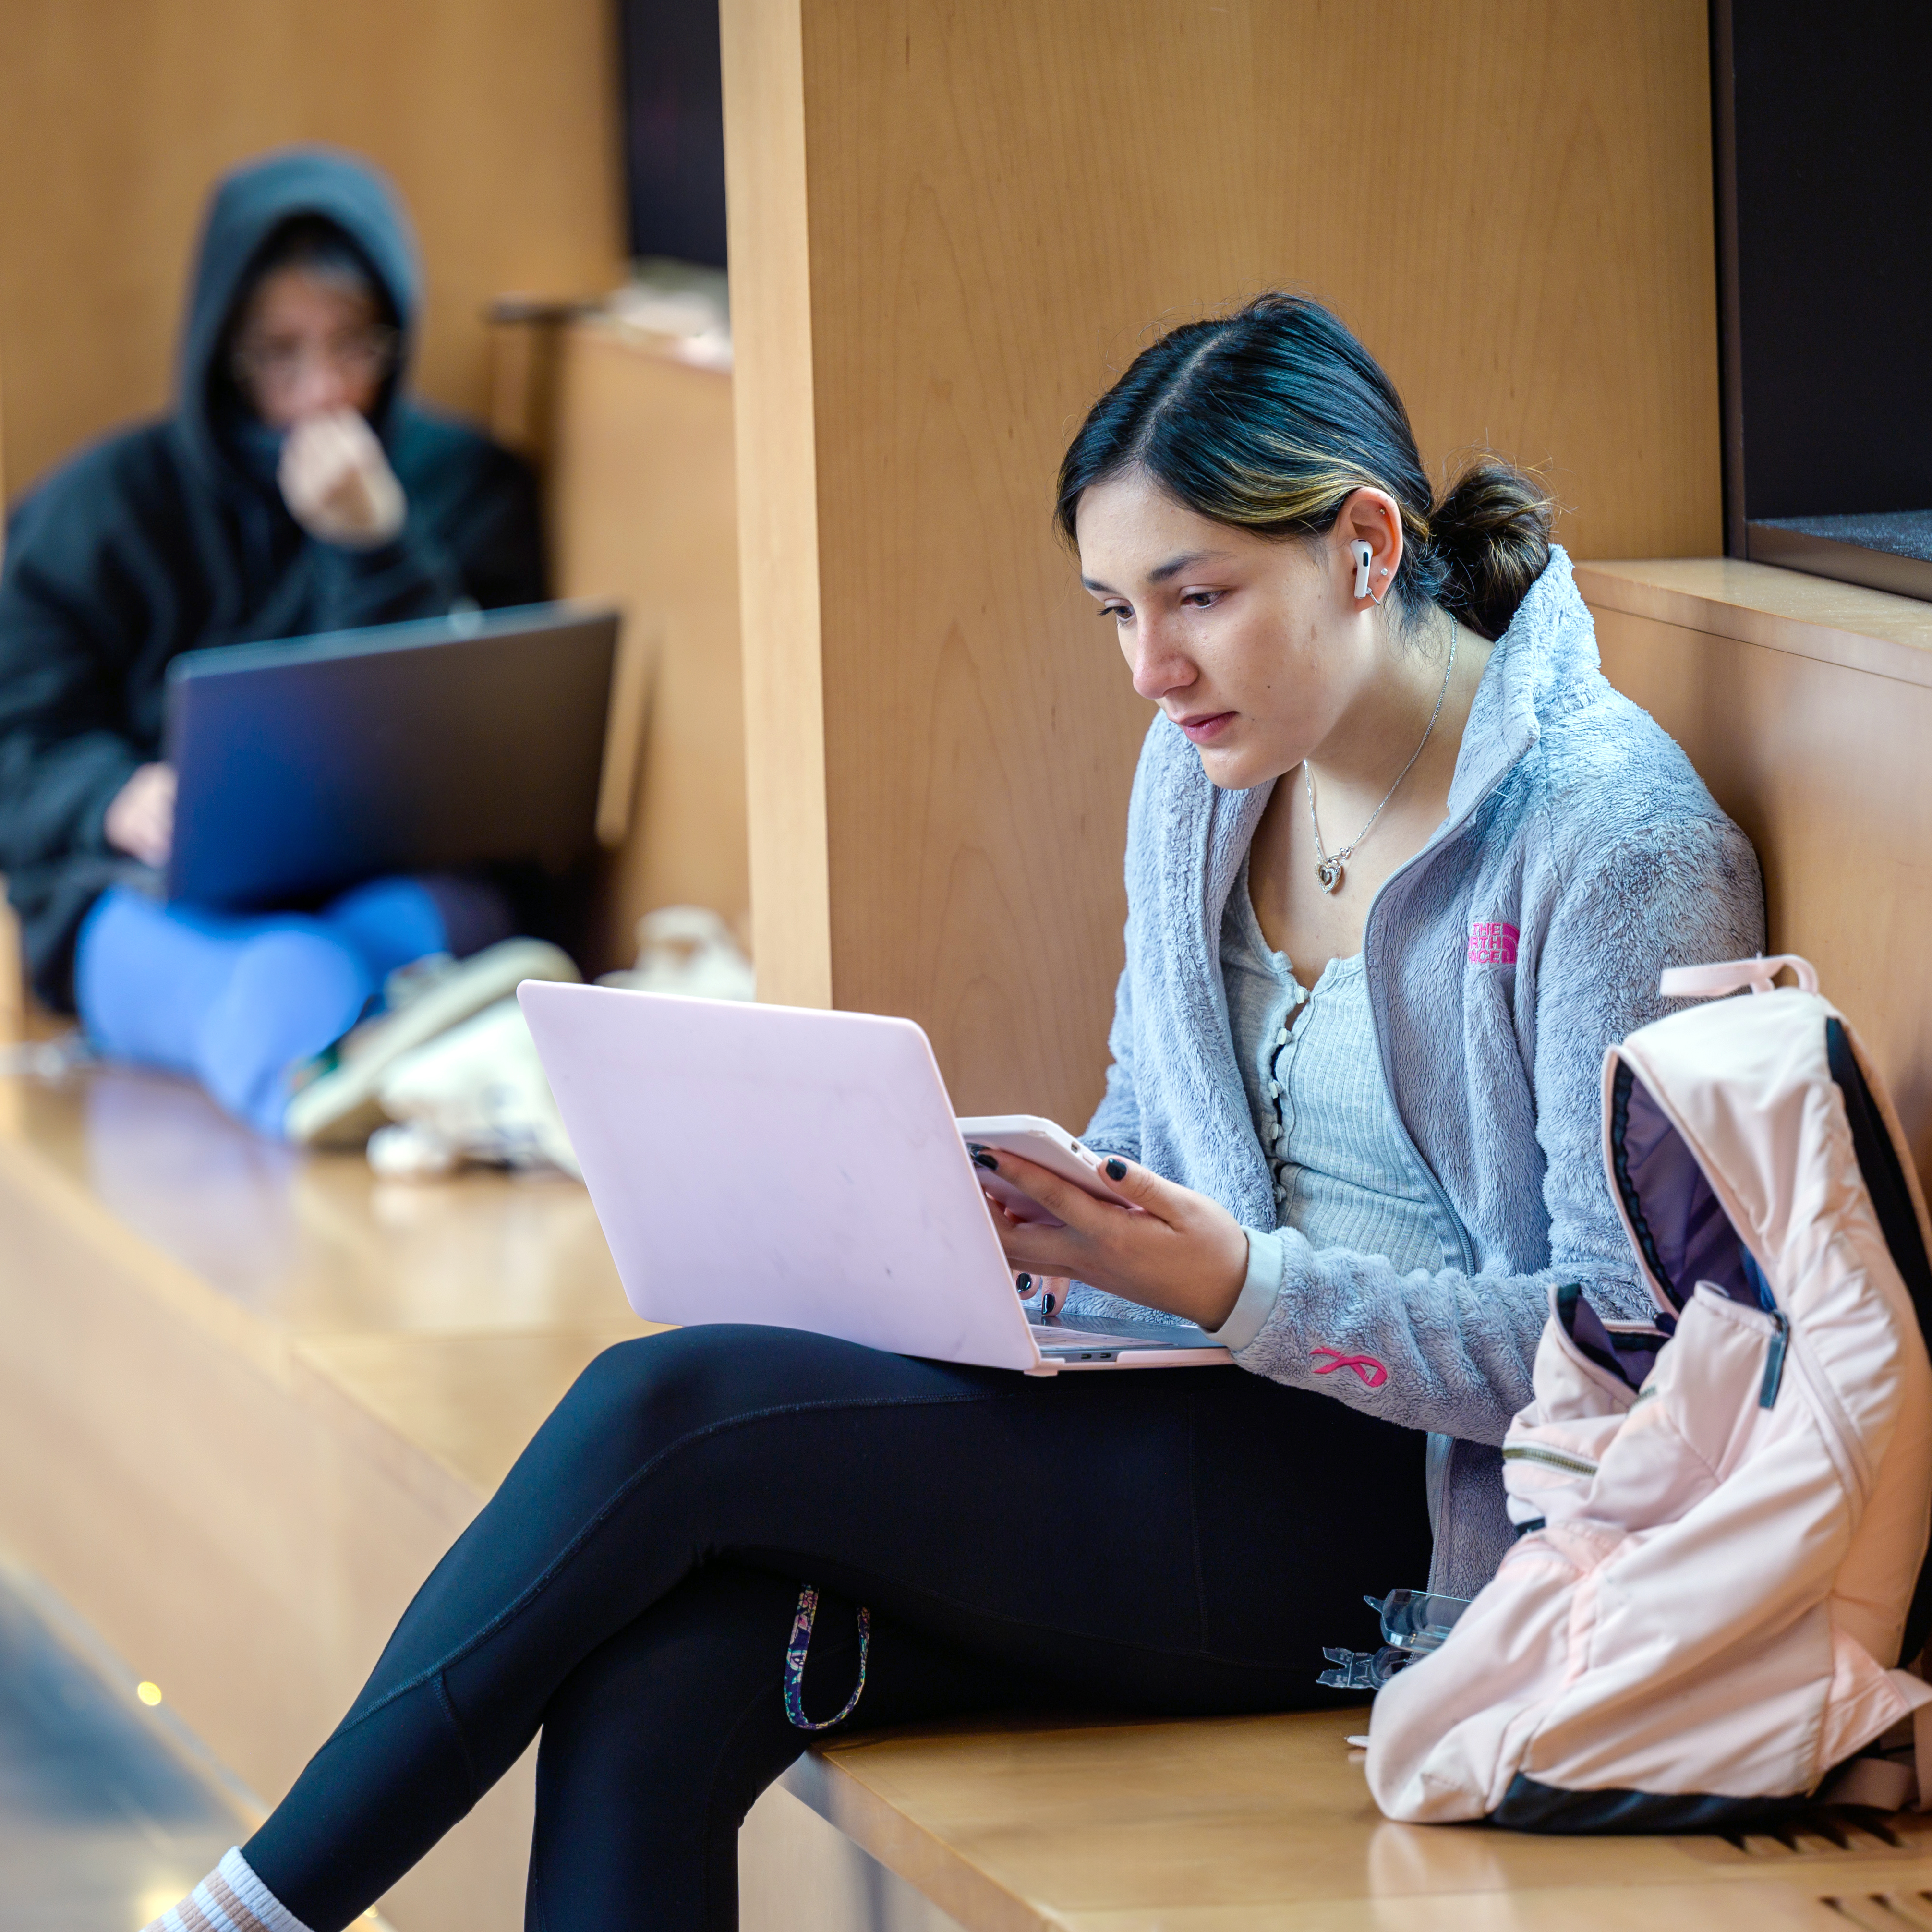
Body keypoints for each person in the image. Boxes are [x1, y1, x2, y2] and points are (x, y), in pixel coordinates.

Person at [142, 294, 1762, 1932]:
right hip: (1182, 1428)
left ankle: (249, 1912)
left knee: (674, 1406)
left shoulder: (1606, 842)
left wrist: (1239, 1288)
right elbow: (1156, 1111)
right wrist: (1035, 1231)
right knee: (672, 1666)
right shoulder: (1207, 771)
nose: (1150, 668)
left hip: (1420, 1533)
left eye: (1196, 596)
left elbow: (1630, 1358)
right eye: (1114, 608)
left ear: (1362, 545)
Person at [0, 146, 557, 1138]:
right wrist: (111, 796)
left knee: (405, 932)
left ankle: (386, 1067)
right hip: (148, 894)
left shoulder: (465, 486)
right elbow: (21, 743)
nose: (321, 392)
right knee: (281, 976)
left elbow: (477, 738)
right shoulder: (97, 513)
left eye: (354, 346)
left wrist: (379, 545)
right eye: (280, 353)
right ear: (221, 351)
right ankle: (346, 1078)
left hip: (402, 873)